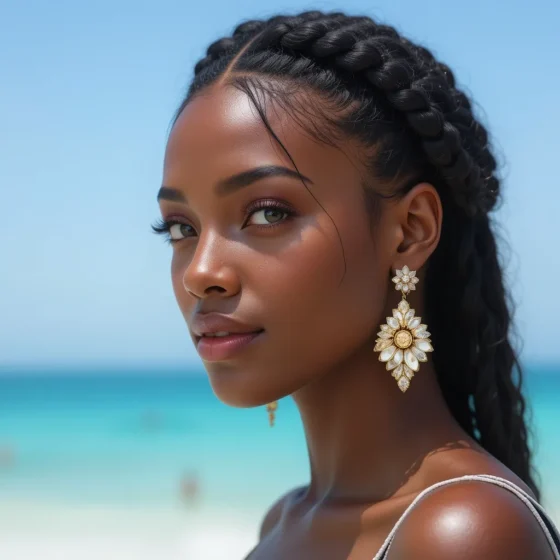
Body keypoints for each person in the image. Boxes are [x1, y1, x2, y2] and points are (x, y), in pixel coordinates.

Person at [151, 10, 560, 559]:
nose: (201, 272)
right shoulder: (283, 520)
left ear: (411, 230)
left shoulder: (459, 532)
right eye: (181, 228)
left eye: (268, 213)